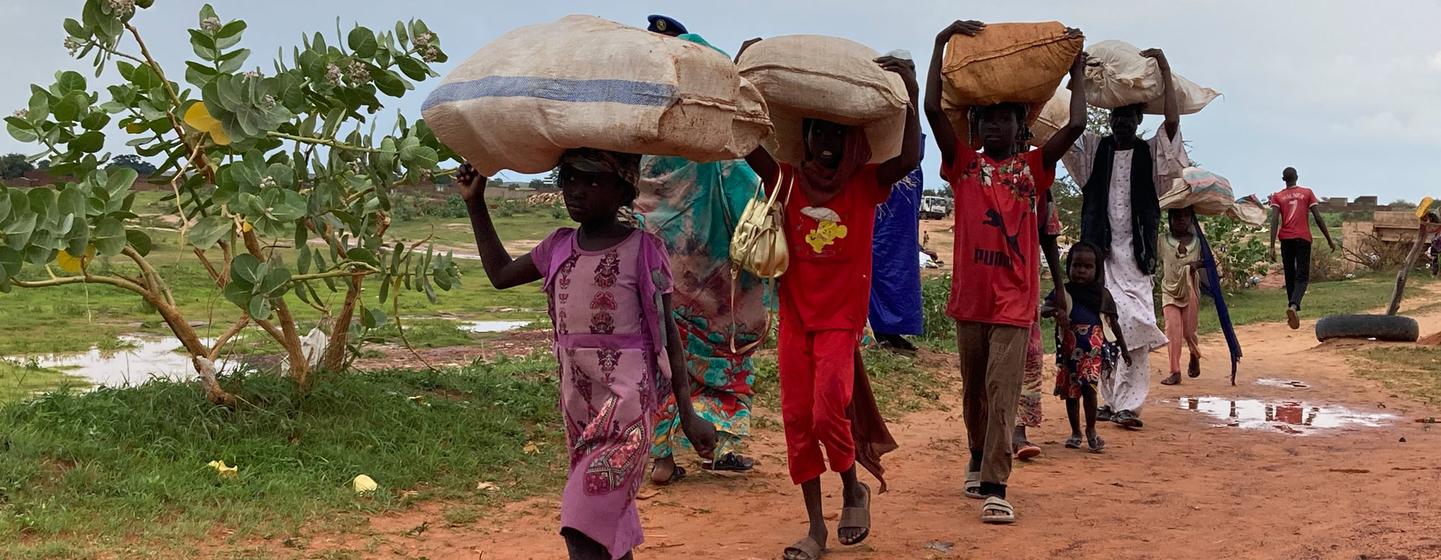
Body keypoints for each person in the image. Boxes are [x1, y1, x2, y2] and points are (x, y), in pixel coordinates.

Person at [458, 151, 717, 560]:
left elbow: (669, 335)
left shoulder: (643, 249)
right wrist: (475, 202)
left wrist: (688, 412)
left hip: (628, 410)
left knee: (581, 529)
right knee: (604, 532)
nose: (576, 190)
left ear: (623, 191)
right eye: (571, 178)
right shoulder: (558, 246)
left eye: (593, 181)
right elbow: (500, 274)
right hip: (579, 412)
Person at [739, 42, 922, 560]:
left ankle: (852, 489)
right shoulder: (787, 180)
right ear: (805, 137)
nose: (826, 144)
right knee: (797, 422)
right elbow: (747, 140)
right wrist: (740, 72)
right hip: (796, 318)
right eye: (818, 132)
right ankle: (816, 528)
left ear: (853, 142)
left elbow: (910, 157)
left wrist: (908, 89)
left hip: (841, 321)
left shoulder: (866, 185)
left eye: (837, 134)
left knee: (825, 415)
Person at [925, 19, 1085, 524]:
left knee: (1002, 392)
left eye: (1005, 120)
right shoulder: (963, 167)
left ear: (1021, 128)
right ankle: (976, 456)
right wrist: (938, 43)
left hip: (1014, 305)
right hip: (969, 302)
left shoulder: (1033, 168)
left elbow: (1077, 125)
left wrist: (1076, 71)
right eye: (987, 120)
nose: (996, 127)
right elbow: (932, 109)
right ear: (976, 129)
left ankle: (996, 482)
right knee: (973, 391)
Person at [636, 25, 764, 485]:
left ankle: (662, 457)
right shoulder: (714, 146)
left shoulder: (639, 141)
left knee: (660, 360)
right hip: (711, 280)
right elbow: (751, 204)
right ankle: (721, 447)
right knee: (724, 360)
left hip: (654, 272)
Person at [1063, 48, 1188, 430]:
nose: (1122, 124)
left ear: (1137, 121)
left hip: (1136, 257)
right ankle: (1110, 401)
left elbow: (1170, 125)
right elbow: (1073, 126)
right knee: (1101, 323)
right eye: (1117, 117)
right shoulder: (1095, 151)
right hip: (1099, 257)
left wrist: (1165, 70)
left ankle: (1131, 404)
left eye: (1129, 118)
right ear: (1112, 119)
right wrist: (1077, 76)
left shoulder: (1150, 154)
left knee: (1133, 322)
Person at [1042, 241, 1129, 453]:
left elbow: (1113, 322)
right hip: (1069, 353)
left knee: (1089, 391)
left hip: (1093, 352)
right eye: (1076, 265)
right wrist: (1056, 312)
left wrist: (1124, 349)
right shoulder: (1063, 292)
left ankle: (1091, 430)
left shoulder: (1102, 295)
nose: (1081, 271)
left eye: (1087, 267)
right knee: (1071, 394)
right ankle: (1075, 432)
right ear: (1068, 266)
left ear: (1097, 269)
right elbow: (1044, 308)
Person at [1013, 195, 1064, 462]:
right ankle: (988, 434)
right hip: (988, 282)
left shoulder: (1041, 188)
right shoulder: (980, 174)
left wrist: (1060, 288)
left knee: (1030, 356)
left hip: (1026, 288)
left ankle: (1018, 431)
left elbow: (1050, 238)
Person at [869, 137, 926, 354]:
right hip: (883, 209)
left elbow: (916, 154)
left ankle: (892, 332)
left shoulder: (912, 152)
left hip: (902, 216)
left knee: (901, 268)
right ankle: (878, 330)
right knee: (877, 262)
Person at [1267, 167, 1335, 330]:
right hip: (1303, 238)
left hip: (1286, 239)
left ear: (1283, 179)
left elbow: (1274, 220)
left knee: (1290, 275)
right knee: (1302, 276)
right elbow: (1318, 217)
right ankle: (1294, 306)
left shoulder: (1278, 196)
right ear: (1297, 177)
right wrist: (1329, 239)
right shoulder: (1307, 193)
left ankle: (1292, 308)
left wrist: (1271, 246)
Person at [1159, 207, 1204, 386]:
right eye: (1177, 216)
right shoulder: (1162, 240)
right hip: (1169, 290)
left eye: (1186, 216)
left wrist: (1196, 264)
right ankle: (1175, 371)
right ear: (1170, 219)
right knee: (1173, 330)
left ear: (1191, 219)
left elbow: (1209, 261)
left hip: (1190, 290)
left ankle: (1194, 354)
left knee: (1189, 331)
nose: (1181, 220)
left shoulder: (1198, 242)